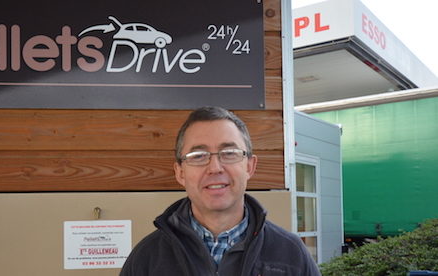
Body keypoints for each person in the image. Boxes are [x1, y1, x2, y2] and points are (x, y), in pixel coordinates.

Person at [120, 106, 321, 276]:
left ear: (249, 166)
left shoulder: (291, 254)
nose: (215, 167)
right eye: (198, 155)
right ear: (180, 172)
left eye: (229, 153)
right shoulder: (146, 259)